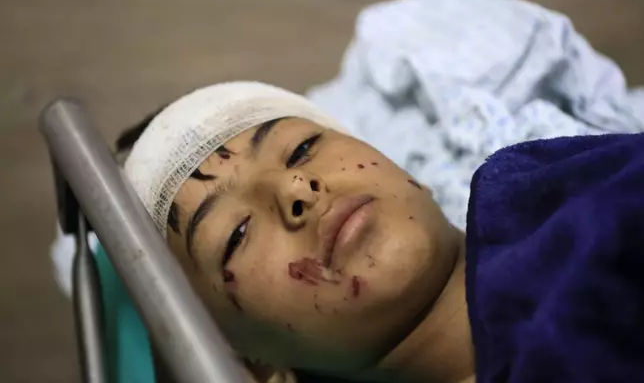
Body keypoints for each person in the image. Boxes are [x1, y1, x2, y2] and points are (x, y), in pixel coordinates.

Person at [121, 81, 644, 383]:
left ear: (399, 168)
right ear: (250, 363)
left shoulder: (568, 195)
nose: (297, 188)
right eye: (235, 233)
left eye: (300, 149)